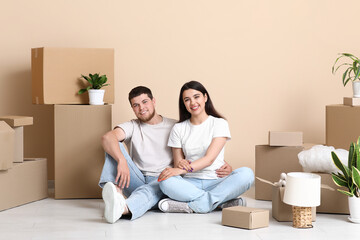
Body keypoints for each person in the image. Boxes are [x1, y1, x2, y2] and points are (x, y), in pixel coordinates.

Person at [98, 86, 233, 223]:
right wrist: (121, 160)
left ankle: (123, 208)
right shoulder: (132, 126)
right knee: (114, 145)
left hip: (164, 178)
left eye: (145, 102)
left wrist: (220, 162)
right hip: (135, 179)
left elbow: (195, 150)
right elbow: (107, 138)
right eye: (136, 105)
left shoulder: (175, 126)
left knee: (159, 185)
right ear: (132, 108)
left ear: (153, 101)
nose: (141, 108)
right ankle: (116, 192)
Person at [157, 81, 254, 214]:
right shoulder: (178, 128)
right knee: (165, 181)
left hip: (216, 180)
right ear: (183, 104)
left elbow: (209, 159)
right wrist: (180, 165)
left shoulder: (219, 123)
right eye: (187, 99)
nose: (193, 103)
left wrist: (179, 170)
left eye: (196, 97)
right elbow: (178, 162)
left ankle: (193, 205)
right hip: (190, 183)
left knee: (246, 174)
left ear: (205, 97)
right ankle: (217, 202)